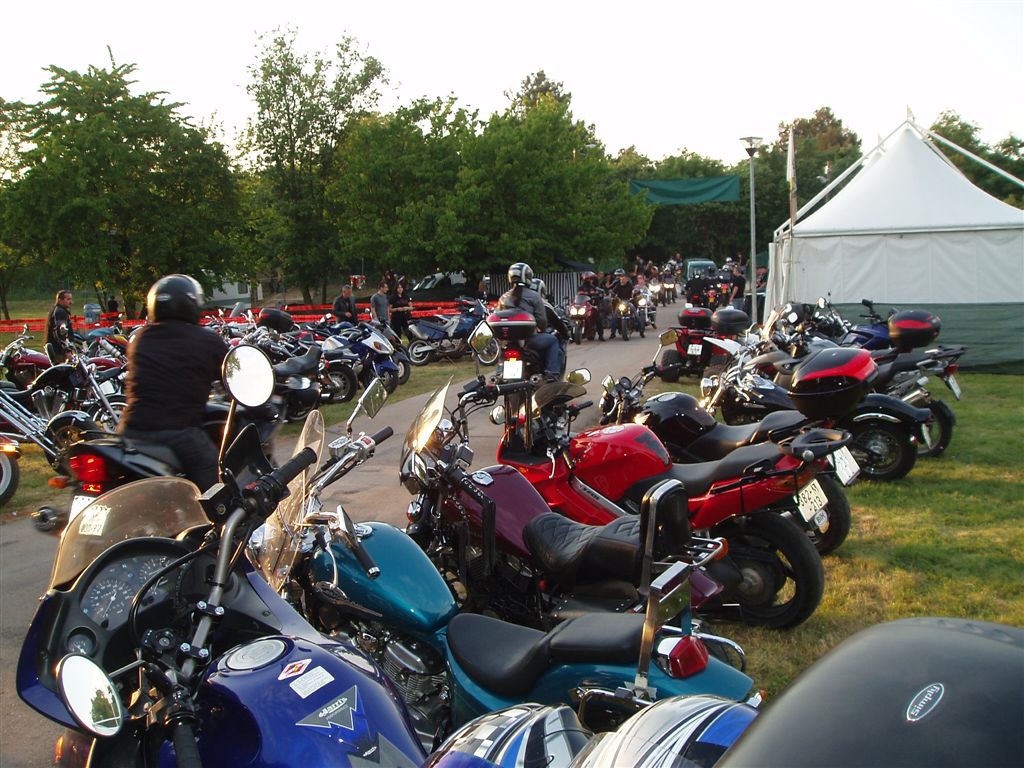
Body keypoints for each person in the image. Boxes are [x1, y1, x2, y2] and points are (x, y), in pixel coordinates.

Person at [118, 275, 229, 491]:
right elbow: (231, 377)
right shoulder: (206, 341)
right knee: (213, 481)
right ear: (190, 303)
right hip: (178, 432)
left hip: (132, 430)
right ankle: (217, 512)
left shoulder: (141, 338)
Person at [499, 262, 563, 381]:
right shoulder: (534, 296)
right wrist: (541, 329)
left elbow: (498, 316)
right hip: (530, 341)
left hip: (509, 342)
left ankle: (499, 373)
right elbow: (542, 321)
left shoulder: (504, 297)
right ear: (527, 277)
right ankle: (552, 373)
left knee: (502, 354)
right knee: (553, 340)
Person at [45, 289, 74, 364]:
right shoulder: (60, 312)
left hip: (56, 349)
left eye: (71, 299)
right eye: (68, 299)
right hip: (58, 351)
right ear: (60, 300)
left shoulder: (57, 310)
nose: (71, 302)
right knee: (63, 369)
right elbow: (60, 333)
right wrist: (67, 350)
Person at [609, 268, 635, 338]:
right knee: (614, 317)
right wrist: (612, 295)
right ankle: (612, 333)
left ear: (626, 278)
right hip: (620, 302)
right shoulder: (617, 285)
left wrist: (633, 295)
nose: (619, 278)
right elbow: (613, 291)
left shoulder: (629, 284)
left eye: (621, 276)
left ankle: (641, 329)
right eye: (618, 276)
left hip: (628, 301)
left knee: (635, 314)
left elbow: (633, 291)